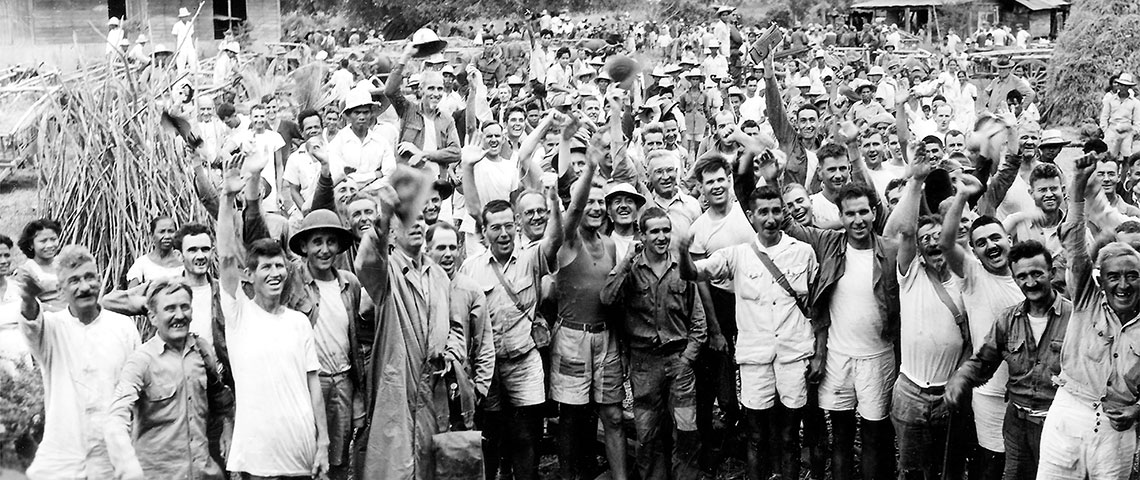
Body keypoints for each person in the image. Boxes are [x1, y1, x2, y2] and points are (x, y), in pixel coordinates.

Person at [681, 185, 818, 480]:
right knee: (756, 436)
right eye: (763, 212)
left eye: (776, 211)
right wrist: (682, 249)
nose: (770, 218)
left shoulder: (803, 253)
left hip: (793, 356)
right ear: (751, 216)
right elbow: (693, 273)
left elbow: (815, 305)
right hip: (755, 359)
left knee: (789, 436)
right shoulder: (737, 255)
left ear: (784, 213)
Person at [216, 161, 330, 479]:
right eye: (265, 267)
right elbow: (225, 254)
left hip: (301, 455)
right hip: (256, 458)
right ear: (248, 275)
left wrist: (323, 443)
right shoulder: (238, 313)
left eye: (279, 266)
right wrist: (227, 197)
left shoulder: (299, 322)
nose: (275, 273)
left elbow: (313, 386)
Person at [782, 182, 899, 480]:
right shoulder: (829, 243)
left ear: (874, 213)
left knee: (873, 435)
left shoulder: (890, 250)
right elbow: (789, 226)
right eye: (850, 214)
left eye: (863, 212)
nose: (857, 220)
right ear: (841, 216)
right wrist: (773, 178)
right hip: (837, 357)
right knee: (842, 436)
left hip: (878, 357)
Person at [1033, 153, 1140, 479]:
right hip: (1070, 414)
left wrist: (1137, 410)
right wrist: (1077, 187)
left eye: (1132, 274)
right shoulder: (1086, 298)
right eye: (1114, 276)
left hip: (1118, 429)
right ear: (1101, 278)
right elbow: (1076, 244)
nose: (1123, 284)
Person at [354, 171, 466, 479]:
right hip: (398, 388)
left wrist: (451, 352)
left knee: (432, 465)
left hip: (434, 390)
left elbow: (457, 326)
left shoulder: (440, 277)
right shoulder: (387, 273)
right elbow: (366, 264)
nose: (416, 224)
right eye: (406, 221)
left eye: (420, 219)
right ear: (391, 235)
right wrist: (384, 214)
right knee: (396, 467)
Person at [944, 240, 1071, 480]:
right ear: (1014, 277)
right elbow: (984, 361)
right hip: (1017, 424)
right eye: (1022, 276)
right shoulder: (1008, 319)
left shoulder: (1075, 318)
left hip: (1058, 424)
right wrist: (961, 378)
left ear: (1052, 273)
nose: (1030, 282)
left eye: (1037, 274)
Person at [19, 245, 142, 479]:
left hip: (112, 455)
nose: (85, 287)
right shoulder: (52, 328)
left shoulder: (123, 327)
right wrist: (28, 297)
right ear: (60, 289)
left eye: (89, 277)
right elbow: (30, 321)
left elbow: (137, 390)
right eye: (74, 281)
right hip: (62, 454)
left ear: (99, 280)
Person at [886, 151, 971, 480]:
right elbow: (905, 232)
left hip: (950, 393)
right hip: (910, 393)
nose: (933, 243)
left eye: (938, 237)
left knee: (947, 469)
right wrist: (917, 181)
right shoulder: (910, 275)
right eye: (926, 240)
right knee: (911, 470)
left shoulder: (966, 278)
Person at [604, 206, 706, 480]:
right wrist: (626, 262)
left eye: (666, 230)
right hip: (644, 364)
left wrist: (687, 360)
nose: (661, 237)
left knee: (686, 432)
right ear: (642, 234)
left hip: (678, 361)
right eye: (654, 231)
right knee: (648, 435)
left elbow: (698, 323)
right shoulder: (631, 270)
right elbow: (607, 298)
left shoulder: (681, 269)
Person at [937, 174, 1024, 480]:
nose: (991, 246)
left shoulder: (1029, 277)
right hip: (989, 393)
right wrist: (961, 197)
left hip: (1029, 396)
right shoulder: (972, 276)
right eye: (981, 243)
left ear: (1009, 239)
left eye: (996, 238)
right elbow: (946, 242)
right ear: (973, 251)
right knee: (989, 464)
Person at [103, 279, 234, 480]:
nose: (179, 316)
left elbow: (221, 399)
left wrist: (228, 427)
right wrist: (126, 462)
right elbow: (116, 417)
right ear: (153, 317)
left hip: (203, 474)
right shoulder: (141, 361)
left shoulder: (202, 351)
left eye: (185, 307)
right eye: (170, 309)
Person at [551, 144, 628, 480]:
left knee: (611, 416)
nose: (595, 208)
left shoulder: (610, 244)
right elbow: (576, 204)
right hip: (572, 338)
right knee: (573, 416)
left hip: (606, 339)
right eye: (590, 202)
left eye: (601, 202)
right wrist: (592, 169)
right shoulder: (568, 241)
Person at [15, 219, 64, 312]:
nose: (50, 245)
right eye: (43, 241)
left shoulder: (64, 262)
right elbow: (30, 303)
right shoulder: (27, 271)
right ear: (31, 244)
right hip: (49, 318)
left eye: (53, 239)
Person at [126, 216, 184, 286]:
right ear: (152, 236)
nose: (167, 236)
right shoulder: (143, 263)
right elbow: (132, 292)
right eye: (162, 232)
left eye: (171, 231)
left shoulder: (184, 262)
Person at [1100, 72, 1139, 158]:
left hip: (1127, 132)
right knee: (1110, 156)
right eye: (1121, 85)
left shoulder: (1135, 103)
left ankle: (1123, 172)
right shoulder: (1110, 100)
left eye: (1126, 86)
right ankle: (1113, 171)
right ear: (1118, 85)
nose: (1123, 88)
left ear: (1130, 87)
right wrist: (1106, 131)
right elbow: (1104, 117)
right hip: (1112, 131)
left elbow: (1137, 120)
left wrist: (1133, 132)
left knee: (1126, 157)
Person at [172, 7, 199, 72]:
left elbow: (192, 36)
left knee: (194, 62)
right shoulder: (177, 25)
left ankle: (197, 77)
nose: (185, 18)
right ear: (181, 18)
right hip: (181, 47)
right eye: (183, 17)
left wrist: (194, 47)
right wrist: (176, 49)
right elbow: (175, 38)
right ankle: (180, 78)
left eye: (186, 16)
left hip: (189, 46)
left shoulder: (190, 24)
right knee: (181, 64)